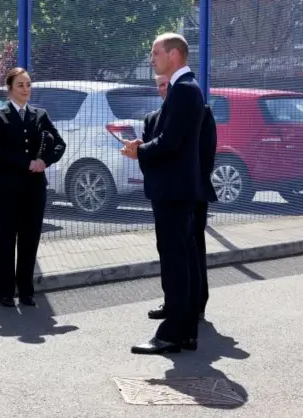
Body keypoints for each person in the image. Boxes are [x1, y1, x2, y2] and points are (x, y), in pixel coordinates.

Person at [121, 33, 205, 354]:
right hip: (176, 190)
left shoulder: (183, 91)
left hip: (172, 191)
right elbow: (173, 140)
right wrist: (145, 147)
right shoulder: (186, 90)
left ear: (173, 55)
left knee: (175, 260)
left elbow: (170, 143)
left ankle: (172, 334)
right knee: (181, 259)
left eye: (155, 52)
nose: (151, 58)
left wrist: (138, 152)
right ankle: (183, 331)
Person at [0, 67, 66, 307]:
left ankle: (27, 290)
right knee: (6, 239)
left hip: (34, 189)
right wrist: (26, 162)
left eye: (28, 85)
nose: (26, 89)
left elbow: (59, 144)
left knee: (30, 240)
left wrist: (44, 161)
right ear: (10, 88)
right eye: (20, 85)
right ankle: (5, 292)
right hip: (5, 189)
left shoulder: (40, 115)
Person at [144, 74, 218, 322]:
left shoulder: (201, 111)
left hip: (191, 192)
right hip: (165, 193)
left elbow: (207, 153)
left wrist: (194, 181)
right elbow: (149, 155)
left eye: (168, 84)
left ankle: (196, 304)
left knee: (193, 248)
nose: (165, 89)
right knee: (168, 250)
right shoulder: (153, 119)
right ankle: (173, 302)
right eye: (161, 86)